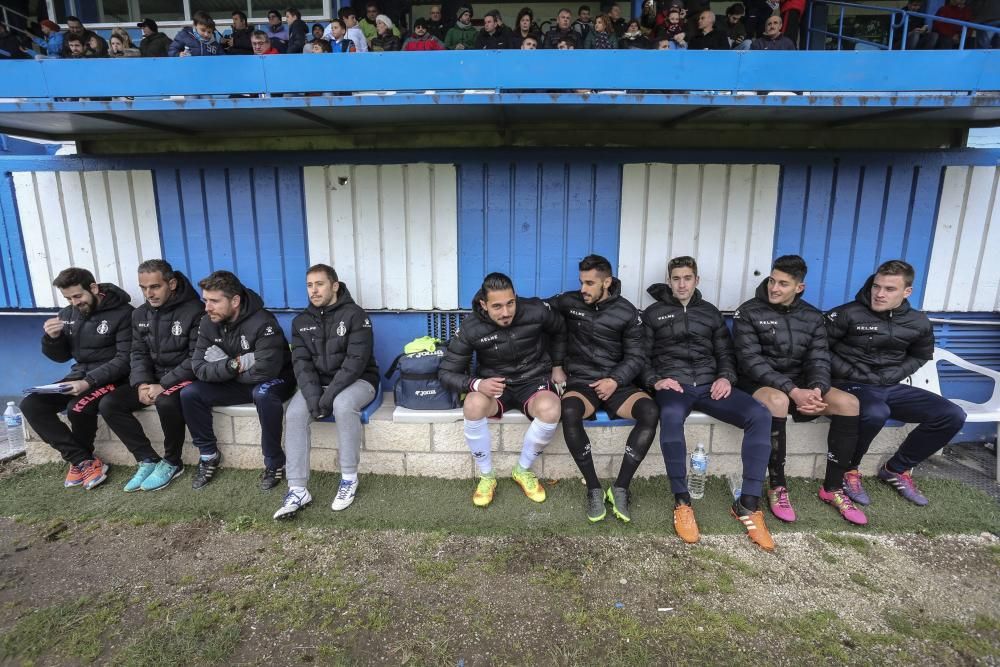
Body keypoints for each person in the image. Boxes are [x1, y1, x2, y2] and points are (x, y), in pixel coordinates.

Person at [644, 257, 774, 551]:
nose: (681, 284)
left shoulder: (711, 313)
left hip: (708, 385)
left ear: (696, 280)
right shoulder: (653, 314)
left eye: (687, 278)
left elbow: (726, 353)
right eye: (676, 278)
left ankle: (748, 504)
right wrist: (656, 381)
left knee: (759, 414)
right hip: (674, 386)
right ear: (669, 281)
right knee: (671, 416)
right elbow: (640, 356)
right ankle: (682, 501)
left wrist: (726, 377)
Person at [733, 255, 865, 525]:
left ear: (799, 287)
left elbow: (819, 358)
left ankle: (833, 487)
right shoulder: (748, 312)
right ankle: (777, 486)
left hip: (801, 386)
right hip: (759, 383)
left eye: (783, 284)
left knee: (849, 403)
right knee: (778, 400)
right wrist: (794, 391)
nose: (774, 288)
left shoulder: (812, 316)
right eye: (772, 281)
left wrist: (816, 390)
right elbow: (751, 362)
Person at [825, 260, 966, 507]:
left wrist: (894, 375)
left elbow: (921, 354)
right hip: (849, 384)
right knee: (875, 412)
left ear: (906, 291)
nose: (879, 294)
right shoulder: (847, 313)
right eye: (876, 286)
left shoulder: (918, 321)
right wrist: (853, 372)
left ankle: (896, 469)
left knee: (951, 414)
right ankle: (849, 470)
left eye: (889, 289)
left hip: (889, 385)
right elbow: (819, 349)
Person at [439, 273, 565, 507]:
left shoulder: (536, 310)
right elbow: (446, 373)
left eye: (510, 303)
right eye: (497, 306)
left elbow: (560, 330)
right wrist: (477, 384)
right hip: (496, 385)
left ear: (515, 297)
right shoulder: (471, 327)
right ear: (484, 305)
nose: (506, 312)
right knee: (473, 404)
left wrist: (557, 365)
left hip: (533, 379)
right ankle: (487, 476)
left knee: (551, 409)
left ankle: (523, 470)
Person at [550, 256, 657, 523]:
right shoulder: (570, 301)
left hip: (616, 383)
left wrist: (615, 380)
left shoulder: (627, 312)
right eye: (581, 282)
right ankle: (594, 488)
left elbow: (636, 357)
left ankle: (620, 487)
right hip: (582, 381)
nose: (583, 288)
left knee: (650, 411)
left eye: (590, 283)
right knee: (569, 410)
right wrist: (556, 364)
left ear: (606, 282)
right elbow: (536, 309)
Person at [273, 265, 380, 519]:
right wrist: (313, 398)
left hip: (359, 381)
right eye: (309, 285)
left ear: (334, 286)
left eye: (319, 284)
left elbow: (356, 362)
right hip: (317, 386)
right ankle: (298, 489)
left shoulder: (356, 315)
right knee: (296, 414)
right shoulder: (300, 321)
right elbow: (301, 364)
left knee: (343, 405)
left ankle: (349, 479)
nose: (314, 290)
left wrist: (328, 397)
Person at [180, 271, 296, 490]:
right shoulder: (207, 323)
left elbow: (265, 371)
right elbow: (199, 368)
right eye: (205, 300)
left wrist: (222, 367)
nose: (207, 307)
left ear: (235, 301)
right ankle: (208, 455)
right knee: (190, 393)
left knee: (263, 394)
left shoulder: (263, 321)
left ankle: (274, 463)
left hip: (276, 379)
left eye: (214, 301)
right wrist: (235, 364)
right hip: (237, 379)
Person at [19, 268, 133, 491]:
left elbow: (125, 360)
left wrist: (87, 382)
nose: (74, 302)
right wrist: (52, 339)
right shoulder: (68, 314)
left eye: (78, 296)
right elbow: (61, 357)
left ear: (93, 288)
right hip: (78, 375)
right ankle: (81, 460)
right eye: (68, 298)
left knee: (77, 408)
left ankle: (82, 461)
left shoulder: (124, 313)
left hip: (114, 378)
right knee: (31, 404)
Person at [97, 260, 202, 492]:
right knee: (110, 403)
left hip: (184, 378)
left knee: (166, 401)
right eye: (143, 288)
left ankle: (173, 462)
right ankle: (147, 458)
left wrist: (163, 384)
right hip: (153, 379)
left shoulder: (195, 311)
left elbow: (196, 358)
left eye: (155, 287)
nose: (148, 293)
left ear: (171, 284)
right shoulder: (140, 314)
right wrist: (143, 383)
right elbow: (138, 352)